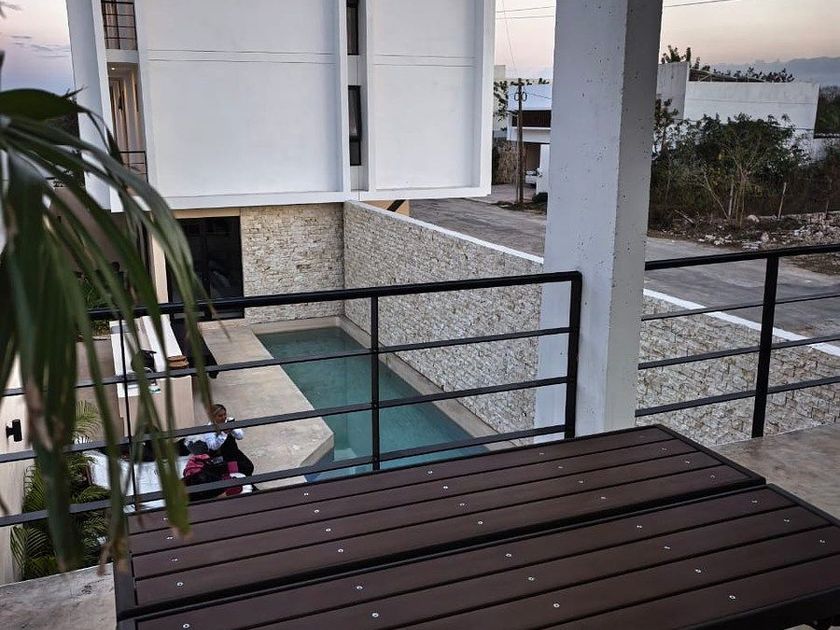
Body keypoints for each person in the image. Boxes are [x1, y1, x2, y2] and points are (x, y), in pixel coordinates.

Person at [184, 404, 255, 477]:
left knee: (249, 467)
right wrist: (223, 433)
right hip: (221, 457)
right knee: (236, 472)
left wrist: (233, 428)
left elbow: (240, 436)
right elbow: (213, 446)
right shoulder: (209, 429)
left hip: (233, 452)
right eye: (220, 416)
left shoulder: (228, 422)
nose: (223, 417)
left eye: (224, 414)